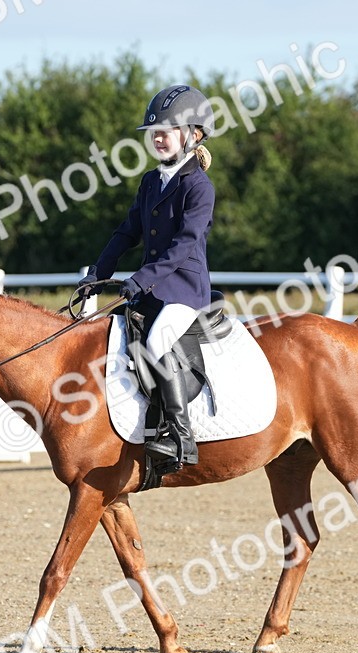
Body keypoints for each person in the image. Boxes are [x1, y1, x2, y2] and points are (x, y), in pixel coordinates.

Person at [78, 84, 216, 472]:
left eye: (166, 130)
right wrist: (97, 274)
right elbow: (127, 231)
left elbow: (185, 245)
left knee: (156, 341)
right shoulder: (151, 181)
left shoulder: (198, 186)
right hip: (152, 288)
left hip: (184, 290)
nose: (157, 137)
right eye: (153, 132)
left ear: (193, 134)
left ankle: (179, 436)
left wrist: (140, 279)